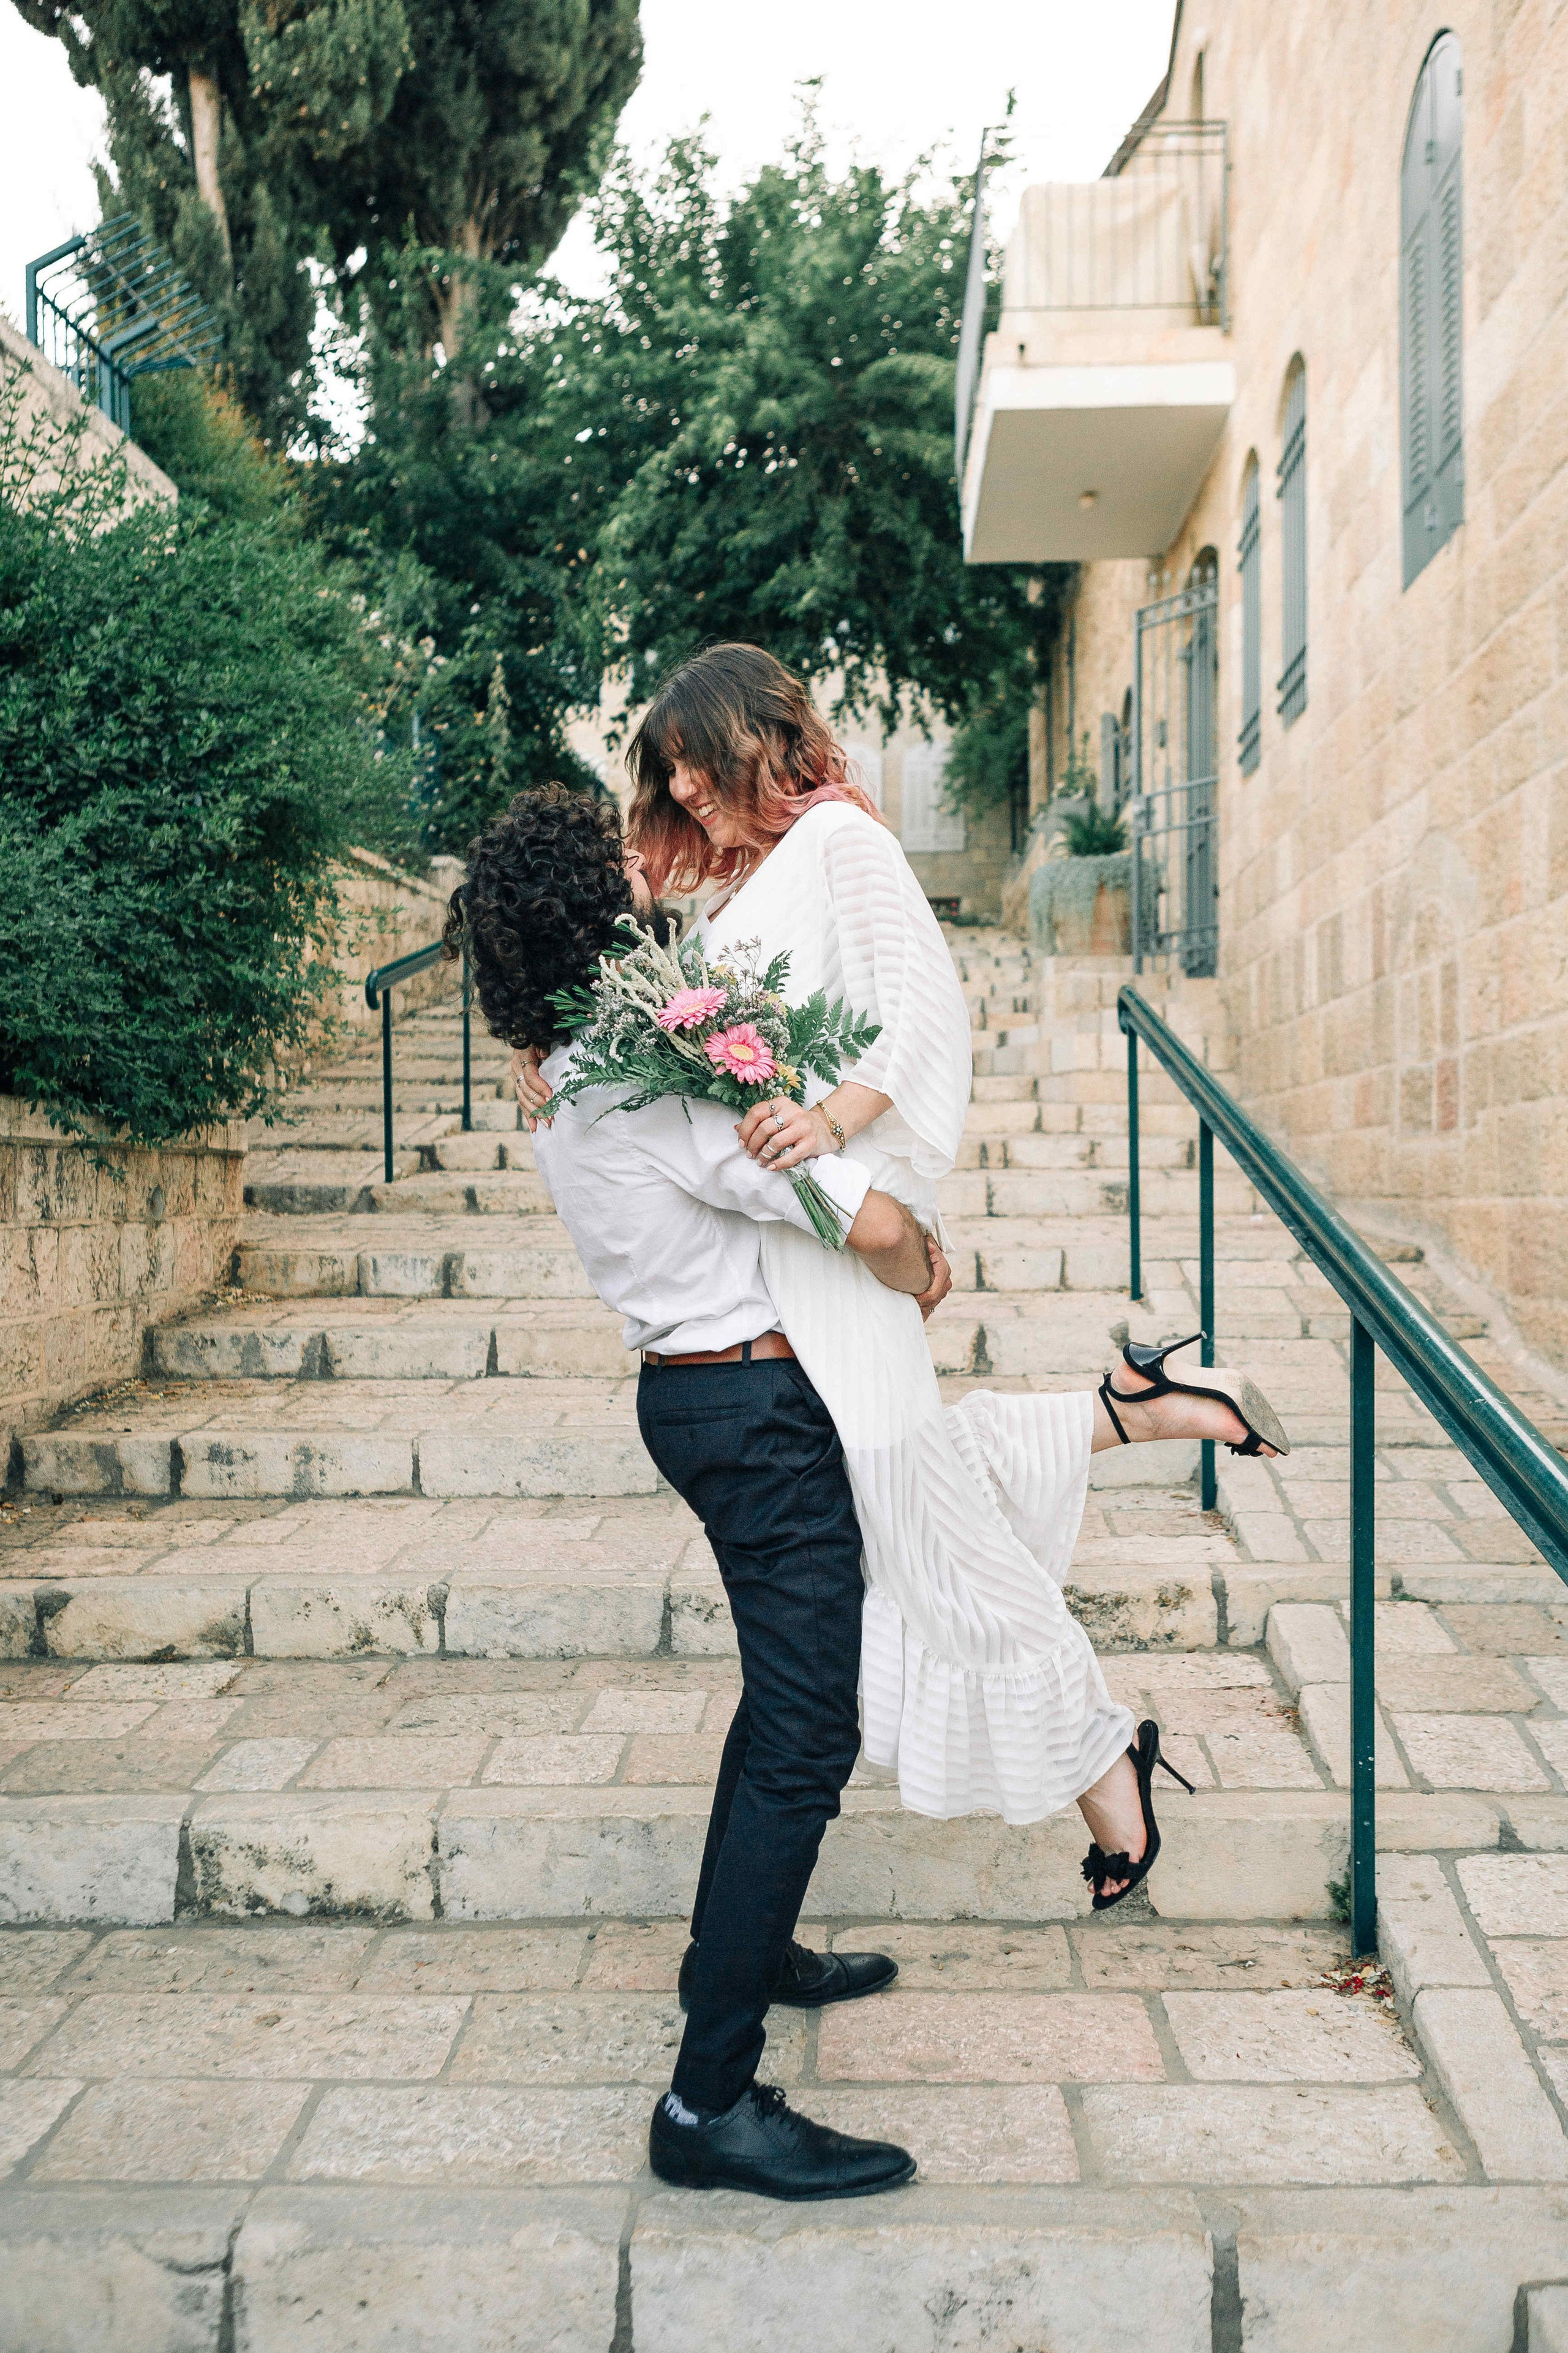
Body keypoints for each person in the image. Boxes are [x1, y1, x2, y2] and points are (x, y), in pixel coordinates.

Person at [515, 644, 1289, 1913]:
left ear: (757, 736)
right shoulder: (731, 891)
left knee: (922, 1529)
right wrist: (533, 1050)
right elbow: (646, 1014)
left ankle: (1108, 1759)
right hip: (784, 1253)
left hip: (824, 1230)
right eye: (670, 779)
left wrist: (833, 1119)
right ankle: (1137, 1418)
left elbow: (924, 1014)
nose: (691, 792)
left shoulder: (840, 842)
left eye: (700, 764)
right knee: (919, 1503)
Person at [447, 782, 954, 2204]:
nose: (639, 868)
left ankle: (747, 1944)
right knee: (806, 1729)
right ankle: (708, 2099)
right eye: (613, 864)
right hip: (749, 1408)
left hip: (694, 1397)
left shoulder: (559, 1073)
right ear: (588, 912)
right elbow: (841, 1209)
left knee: (774, 1700)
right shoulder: (639, 1078)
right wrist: (915, 1251)